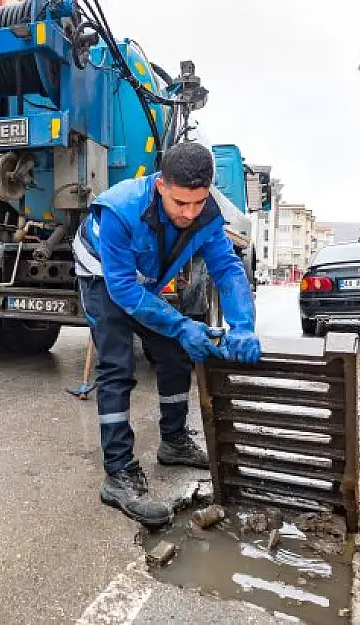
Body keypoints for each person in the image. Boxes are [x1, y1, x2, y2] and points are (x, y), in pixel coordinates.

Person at [72, 142, 263, 527]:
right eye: (180, 204)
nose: (189, 214)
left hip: (144, 278)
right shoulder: (118, 209)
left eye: (198, 202)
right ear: (161, 186)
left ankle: (174, 442)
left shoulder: (208, 216)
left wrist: (242, 326)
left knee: (176, 353)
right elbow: (123, 290)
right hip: (102, 275)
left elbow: (226, 269)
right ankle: (118, 474)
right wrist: (179, 323)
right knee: (117, 367)